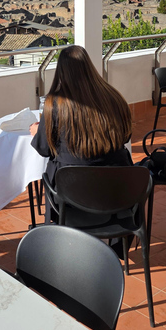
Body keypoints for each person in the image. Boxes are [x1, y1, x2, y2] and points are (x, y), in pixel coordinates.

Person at [29, 45, 133, 223]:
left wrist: (37, 131)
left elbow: (44, 149)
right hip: (115, 191)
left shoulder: (54, 104)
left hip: (71, 194)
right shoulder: (114, 96)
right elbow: (125, 137)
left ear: (61, 71)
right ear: (89, 67)